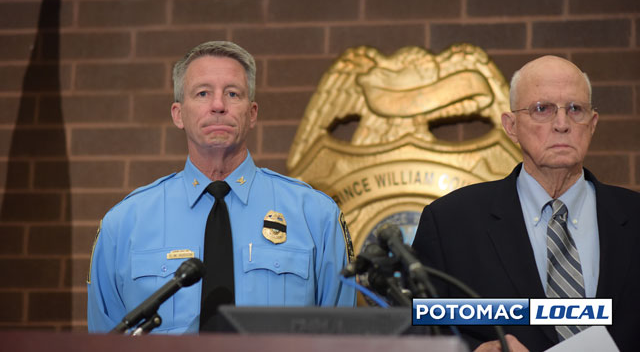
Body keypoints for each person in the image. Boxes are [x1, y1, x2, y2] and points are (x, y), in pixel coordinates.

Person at [87, 41, 356, 334]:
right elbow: (105, 340)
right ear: (178, 114)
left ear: (252, 113)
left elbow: (342, 336)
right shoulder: (124, 223)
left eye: (232, 93)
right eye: (203, 93)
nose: (218, 105)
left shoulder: (315, 215)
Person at [412, 55, 640, 351]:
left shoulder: (634, 218)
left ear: (592, 124)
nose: (562, 124)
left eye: (575, 109)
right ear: (511, 126)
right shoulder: (450, 223)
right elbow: (415, 332)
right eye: (542, 109)